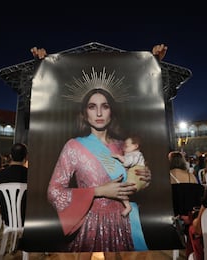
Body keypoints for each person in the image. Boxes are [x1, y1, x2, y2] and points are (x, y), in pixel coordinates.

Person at [47, 88, 152, 252]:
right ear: (84, 113)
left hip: (125, 222)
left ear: (111, 111)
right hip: (91, 225)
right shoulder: (74, 146)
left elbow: (134, 182)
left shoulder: (122, 146)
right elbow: (54, 191)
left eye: (105, 106)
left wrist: (144, 177)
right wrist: (98, 191)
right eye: (92, 107)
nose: (98, 113)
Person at [0, 143, 28, 226]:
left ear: (11, 156)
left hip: (7, 218)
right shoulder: (31, 175)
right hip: (27, 219)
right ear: (26, 157)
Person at [112, 135, 147, 217]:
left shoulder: (135, 154)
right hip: (137, 179)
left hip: (136, 179)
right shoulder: (135, 154)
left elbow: (128, 162)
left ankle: (128, 207)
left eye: (126, 146)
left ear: (135, 146)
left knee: (120, 191)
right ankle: (128, 206)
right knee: (123, 191)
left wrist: (118, 156)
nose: (124, 149)